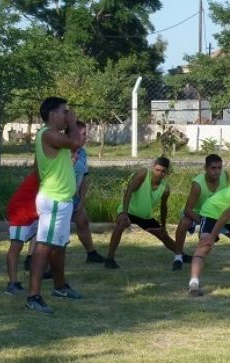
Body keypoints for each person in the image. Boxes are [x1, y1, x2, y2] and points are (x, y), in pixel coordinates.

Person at [25, 97, 83, 315]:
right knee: (44, 246)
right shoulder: (48, 134)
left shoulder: (52, 135)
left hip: (61, 200)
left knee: (59, 246)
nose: (67, 114)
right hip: (55, 201)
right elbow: (77, 143)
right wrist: (74, 123)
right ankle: (33, 296)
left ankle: (60, 287)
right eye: (64, 111)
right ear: (52, 114)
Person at [172, 154, 230, 271]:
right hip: (199, 213)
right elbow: (188, 209)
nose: (217, 171)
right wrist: (204, 223)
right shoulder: (197, 184)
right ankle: (178, 257)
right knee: (184, 222)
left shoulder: (224, 176)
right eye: (213, 168)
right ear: (206, 168)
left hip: (218, 213)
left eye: (219, 168)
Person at [104, 156, 182, 270]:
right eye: (157, 170)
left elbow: (163, 207)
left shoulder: (165, 188)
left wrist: (163, 226)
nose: (159, 173)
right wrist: (124, 213)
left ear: (167, 173)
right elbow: (129, 191)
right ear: (153, 168)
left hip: (145, 216)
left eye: (163, 171)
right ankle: (109, 259)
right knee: (120, 224)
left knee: (163, 235)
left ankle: (181, 254)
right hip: (128, 211)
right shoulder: (144, 174)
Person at [71, 121, 105, 264]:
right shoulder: (63, 152)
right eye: (84, 134)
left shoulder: (83, 153)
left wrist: (82, 200)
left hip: (75, 198)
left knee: (83, 222)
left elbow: (84, 178)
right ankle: (40, 262)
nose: (86, 137)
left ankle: (91, 253)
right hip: (62, 197)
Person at [5, 171, 39, 295]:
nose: (75, 158)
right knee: (16, 245)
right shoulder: (46, 169)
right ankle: (13, 283)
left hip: (36, 209)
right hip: (22, 210)